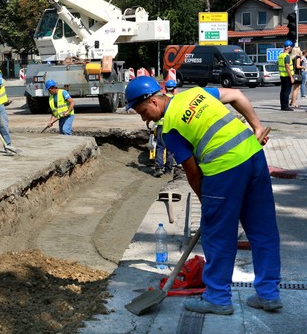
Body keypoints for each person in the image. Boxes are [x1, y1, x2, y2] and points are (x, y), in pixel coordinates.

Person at [125, 75, 281, 315]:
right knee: (263, 231)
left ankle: (218, 298)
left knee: (217, 235)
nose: (144, 118)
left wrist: (206, 203)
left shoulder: (171, 129)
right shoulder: (196, 93)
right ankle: (269, 295)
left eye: (142, 112)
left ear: (154, 102)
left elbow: (193, 173)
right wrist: (257, 127)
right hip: (253, 157)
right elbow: (237, 95)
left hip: (224, 170)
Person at [152, 79, 177, 177]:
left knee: (160, 147)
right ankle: (168, 169)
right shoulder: (176, 100)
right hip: (172, 127)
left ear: (165, 89)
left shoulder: (161, 99)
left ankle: (158, 168)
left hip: (161, 126)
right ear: (174, 89)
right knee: (170, 149)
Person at [277, 40, 294, 111]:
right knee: (287, 91)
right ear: (289, 47)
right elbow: (287, 66)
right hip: (287, 76)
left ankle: (282, 105)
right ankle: (285, 106)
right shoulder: (287, 56)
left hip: (282, 75)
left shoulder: (280, 55)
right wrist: (291, 77)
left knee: (283, 91)